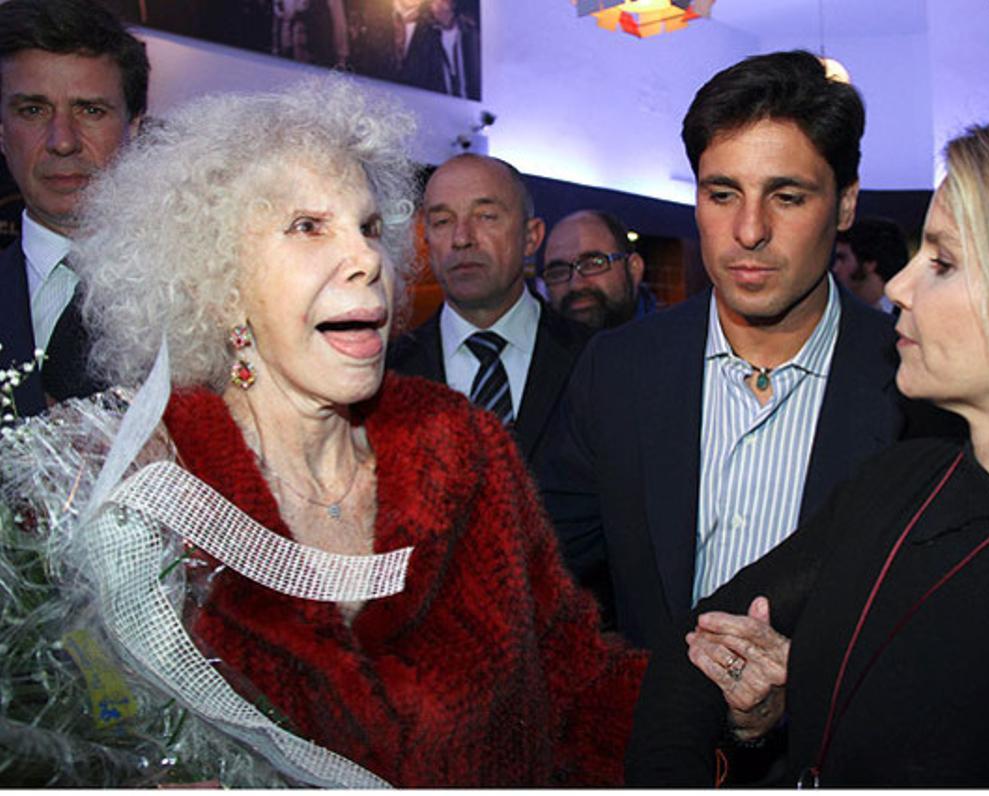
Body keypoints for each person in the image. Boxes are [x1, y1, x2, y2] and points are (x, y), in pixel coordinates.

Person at [3, 77, 643, 786]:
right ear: (217, 283)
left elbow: (577, 681)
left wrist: (701, 711)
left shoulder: (464, 446)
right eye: (309, 226)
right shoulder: (138, 491)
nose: (368, 259)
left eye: (368, 228)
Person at [626, 112, 989, 787]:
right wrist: (783, 706)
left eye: (943, 263)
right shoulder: (902, 477)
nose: (898, 287)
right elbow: (696, 647)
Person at [537, 49, 959, 653]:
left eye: (787, 197)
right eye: (723, 194)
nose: (749, 230)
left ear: (845, 204)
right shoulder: (618, 370)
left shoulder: (920, 387)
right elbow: (543, 569)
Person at [388, 153, 591, 466]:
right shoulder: (386, 374)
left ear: (531, 237)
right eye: (442, 222)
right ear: (426, 240)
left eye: (486, 216)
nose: (461, 238)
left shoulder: (594, 359)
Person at [0, 0, 148, 421]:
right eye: (33, 110)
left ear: (134, 127)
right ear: (1, 132)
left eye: (90, 110)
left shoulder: (208, 300)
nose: (62, 141)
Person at [542, 209, 655, 330]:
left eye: (593, 264)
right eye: (558, 272)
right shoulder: (536, 338)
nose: (576, 285)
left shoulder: (667, 336)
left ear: (634, 268)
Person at [398, 0, 480, 100]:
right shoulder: (424, 36)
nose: (437, 6)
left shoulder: (471, 33)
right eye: (433, 3)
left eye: (442, 2)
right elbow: (413, 78)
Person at [832, 216, 909, 314]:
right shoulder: (841, 313)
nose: (835, 269)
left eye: (842, 258)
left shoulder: (911, 313)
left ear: (869, 264)